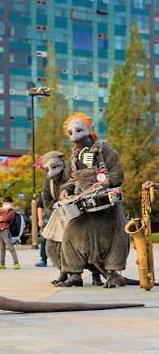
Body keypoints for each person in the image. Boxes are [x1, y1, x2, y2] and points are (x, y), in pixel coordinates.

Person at [58, 113, 129, 288]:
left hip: (106, 204)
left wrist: (106, 182)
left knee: (115, 237)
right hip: (82, 206)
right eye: (71, 131)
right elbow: (70, 179)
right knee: (70, 235)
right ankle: (75, 275)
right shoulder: (74, 156)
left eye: (78, 129)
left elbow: (117, 173)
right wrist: (66, 191)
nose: (74, 134)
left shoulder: (104, 149)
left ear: (89, 130)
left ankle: (112, 274)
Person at [0, 197, 20, 269]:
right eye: (4, 203)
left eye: (7, 203)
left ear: (11, 204)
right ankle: (2, 263)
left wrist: (0, 219)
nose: (5, 205)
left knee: (10, 247)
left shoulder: (12, 212)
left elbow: (6, 218)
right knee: (2, 248)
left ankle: (16, 263)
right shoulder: (2, 211)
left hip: (5, 230)